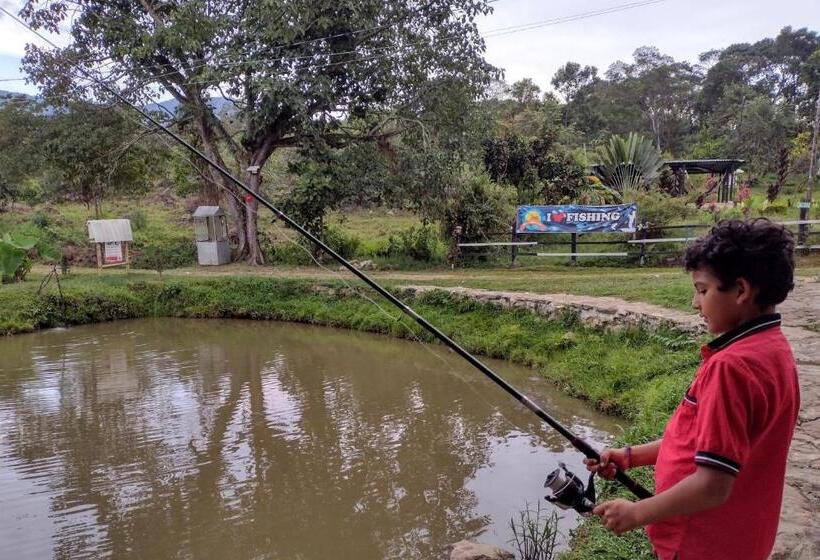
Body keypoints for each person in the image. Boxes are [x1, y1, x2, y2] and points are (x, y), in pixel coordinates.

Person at [584, 218, 800, 560]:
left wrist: (637, 513)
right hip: (741, 539)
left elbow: (713, 485)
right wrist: (630, 457)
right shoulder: (774, 349)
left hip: (700, 543)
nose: (695, 303)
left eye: (702, 290)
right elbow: (703, 443)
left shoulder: (731, 367)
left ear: (741, 290)